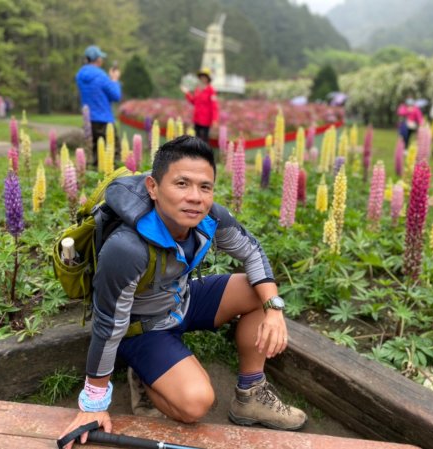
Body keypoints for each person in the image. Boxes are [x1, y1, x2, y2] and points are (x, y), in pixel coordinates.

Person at [59, 135, 307, 448]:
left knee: (258, 290)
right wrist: (92, 406)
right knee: (196, 403)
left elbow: (253, 252)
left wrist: (273, 308)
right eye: (181, 184)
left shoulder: (210, 217)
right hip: (142, 328)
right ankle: (146, 376)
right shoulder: (127, 248)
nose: (195, 197)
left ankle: (250, 393)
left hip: (181, 300)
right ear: (153, 188)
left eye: (205, 187)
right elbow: (109, 325)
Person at [75, 45, 121, 167]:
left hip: (88, 122)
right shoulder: (101, 76)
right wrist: (114, 79)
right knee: (112, 157)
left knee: (94, 157)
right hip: (104, 121)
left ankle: (96, 183)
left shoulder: (79, 75)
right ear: (98, 59)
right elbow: (116, 95)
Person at [180, 68, 219, 144]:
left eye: (205, 77)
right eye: (201, 77)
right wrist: (187, 93)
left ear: (208, 79)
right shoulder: (197, 89)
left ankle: (205, 155)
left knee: (204, 140)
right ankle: (197, 155)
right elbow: (193, 101)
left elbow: (214, 106)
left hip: (206, 120)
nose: (203, 79)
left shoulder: (211, 90)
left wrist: (215, 120)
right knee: (196, 139)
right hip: (197, 118)